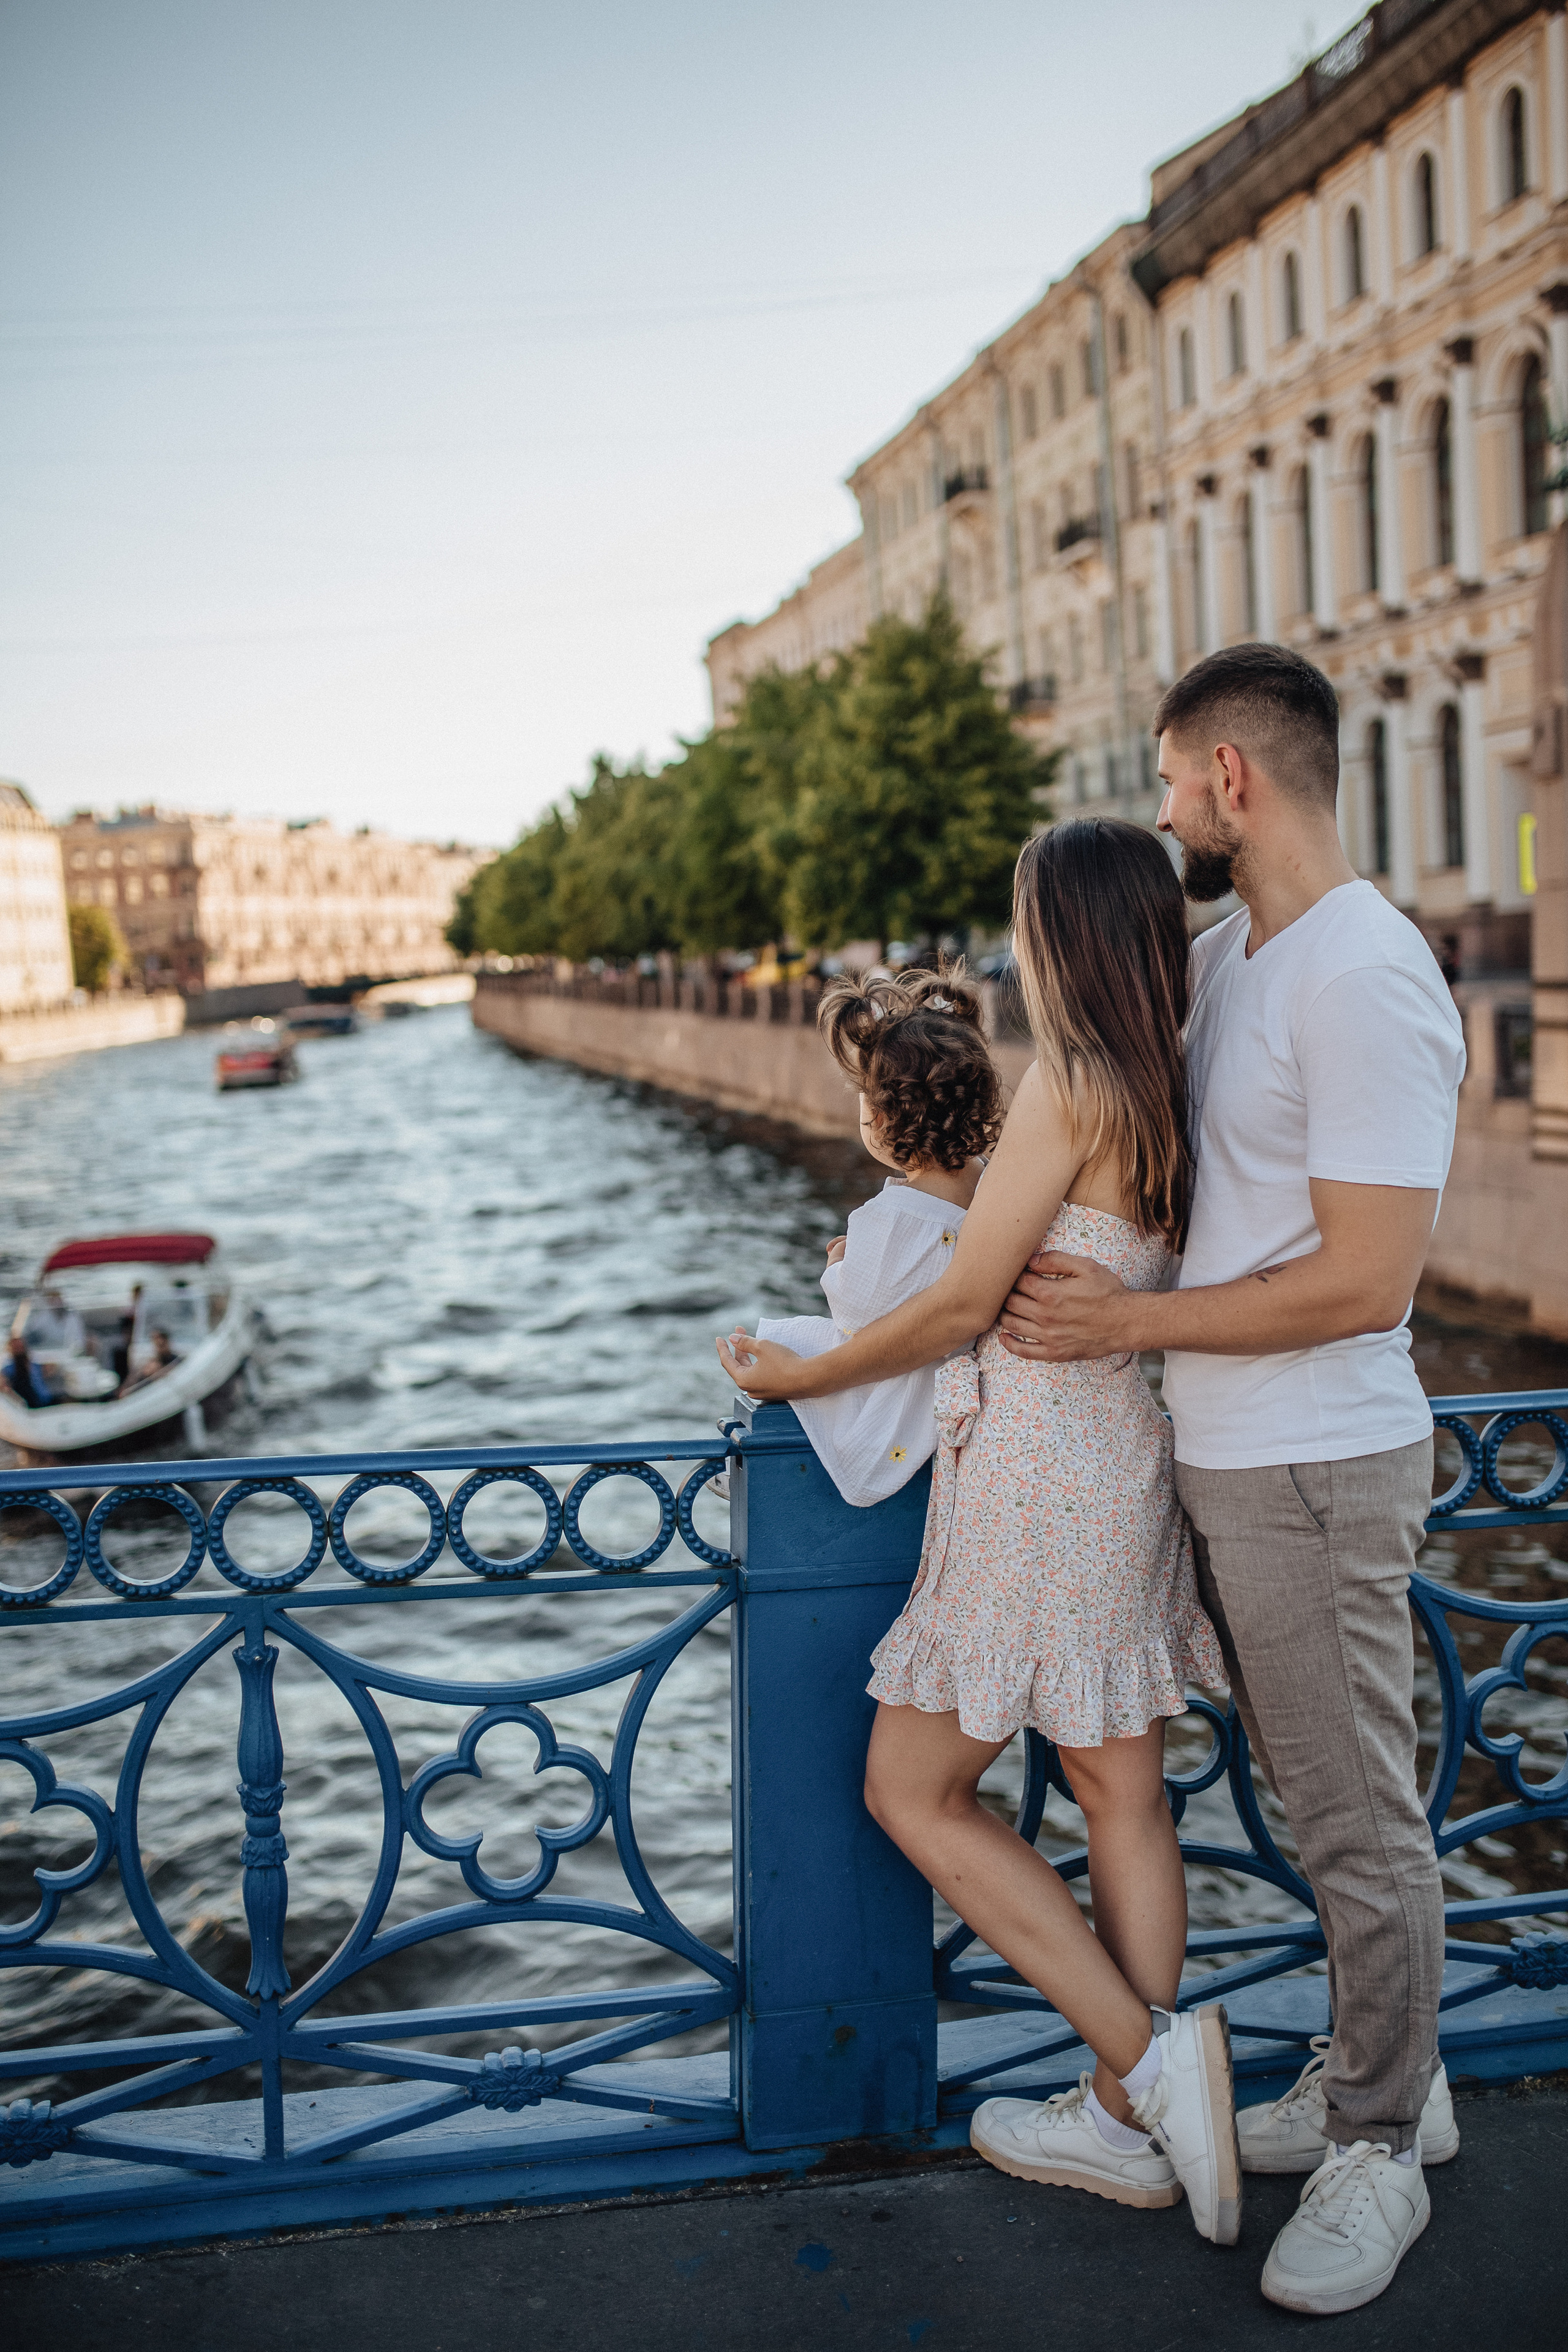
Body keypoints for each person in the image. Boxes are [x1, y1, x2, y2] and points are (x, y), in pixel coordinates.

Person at [994, 644, 1465, 2317]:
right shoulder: (1234, 954)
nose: (1164, 800)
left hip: (1322, 1454)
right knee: (1318, 1787)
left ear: (1233, 782)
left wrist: (1127, 1317)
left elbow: (1365, 1277)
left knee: (1353, 1814)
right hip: (1230, 1449)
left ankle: (1384, 2146)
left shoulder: (1364, 974)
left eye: (1172, 772)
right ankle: (1387, 2070)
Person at [718, 817, 1238, 2247]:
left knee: (910, 1786)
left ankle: (1143, 2062)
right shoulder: (1172, 1085)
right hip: (1122, 1455)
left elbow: (956, 1307)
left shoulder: (1069, 1084)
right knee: (1116, 1786)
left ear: (1059, 934)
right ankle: (1130, 2112)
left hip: (1027, 1476)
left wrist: (796, 1366)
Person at [734, 964, 999, 1507]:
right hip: (979, 1388)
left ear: (879, 1119)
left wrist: (838, 1266)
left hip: (913, 1390)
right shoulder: (999, 1191)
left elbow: (860, 1314)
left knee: (798, 1338)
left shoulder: (889, 1216)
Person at [1, 1333, 51, 1411]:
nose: (20, 1350)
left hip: (47, 1400)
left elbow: (50, 1368)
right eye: (17, 1348)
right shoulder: (11, 1368)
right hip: (34, 1406)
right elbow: (3, 1381)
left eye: (21, 1347)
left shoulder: (34, 1365)